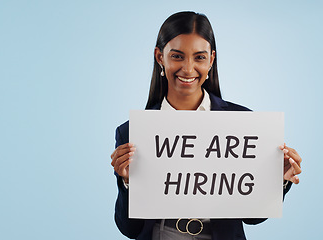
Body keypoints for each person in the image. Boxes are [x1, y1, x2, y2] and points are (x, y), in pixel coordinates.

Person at [110, 11, 302, 240]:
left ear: (211, 59)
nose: (188, 69)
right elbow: (129, 229)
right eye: (178, 56)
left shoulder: (243, 122)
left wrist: (275, 180)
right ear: (160, 57)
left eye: (199, 57)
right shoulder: (132, 132)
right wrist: (128, 182)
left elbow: (253, 218)